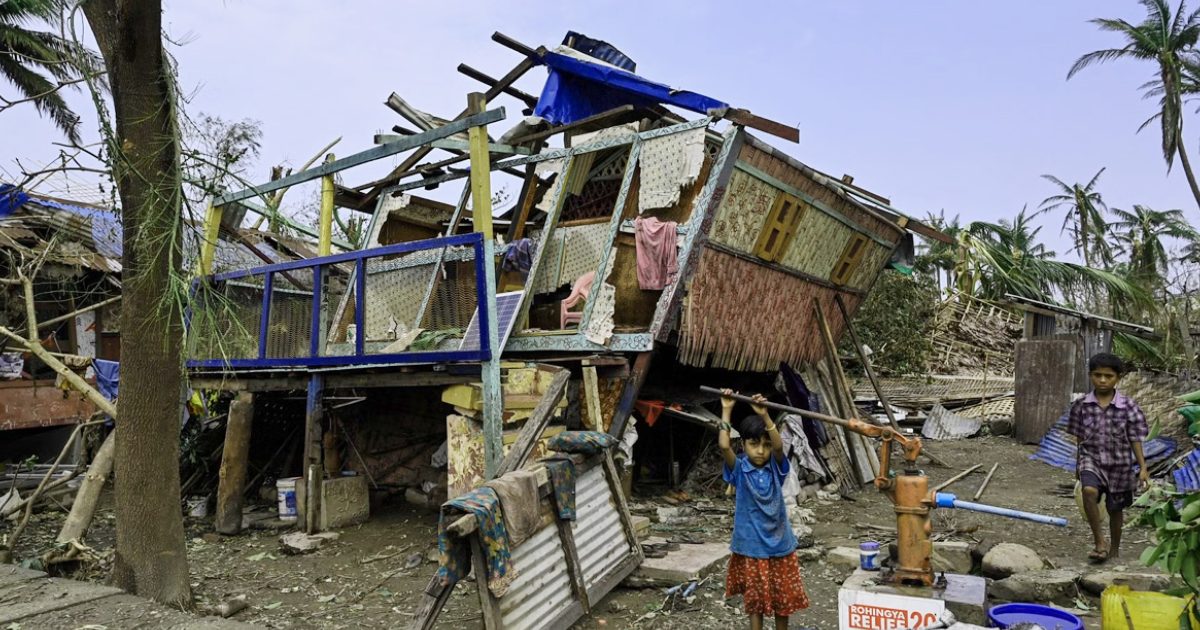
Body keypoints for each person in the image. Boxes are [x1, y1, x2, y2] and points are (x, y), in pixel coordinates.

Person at [719, 389, 809, 630]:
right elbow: (723, 445)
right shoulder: (738, 470)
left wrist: (766, 415)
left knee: (783, 599)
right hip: (751, 546)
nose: (761, 450)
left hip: (780, 544)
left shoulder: (775, 468)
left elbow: (778, 446)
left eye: (765, 445)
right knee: (755, 601)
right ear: (744, 444)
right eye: (754, 444)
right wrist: (726, 408)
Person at [1066, 352, 1149, 562]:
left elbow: (1135, 438)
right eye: (1097, 375)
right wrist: (1078, 465)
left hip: (1120, 465)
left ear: (1118, 378)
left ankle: (1114, 549)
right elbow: (1079, 438)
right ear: (1091, 375)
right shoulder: (1081, 406)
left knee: (1115, 510)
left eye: (1108, 376)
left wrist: (1143, 467)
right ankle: (1099, 542)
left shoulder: (1128, 407)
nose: (1102, 380)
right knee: (1088, 490)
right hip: (1091, 459)